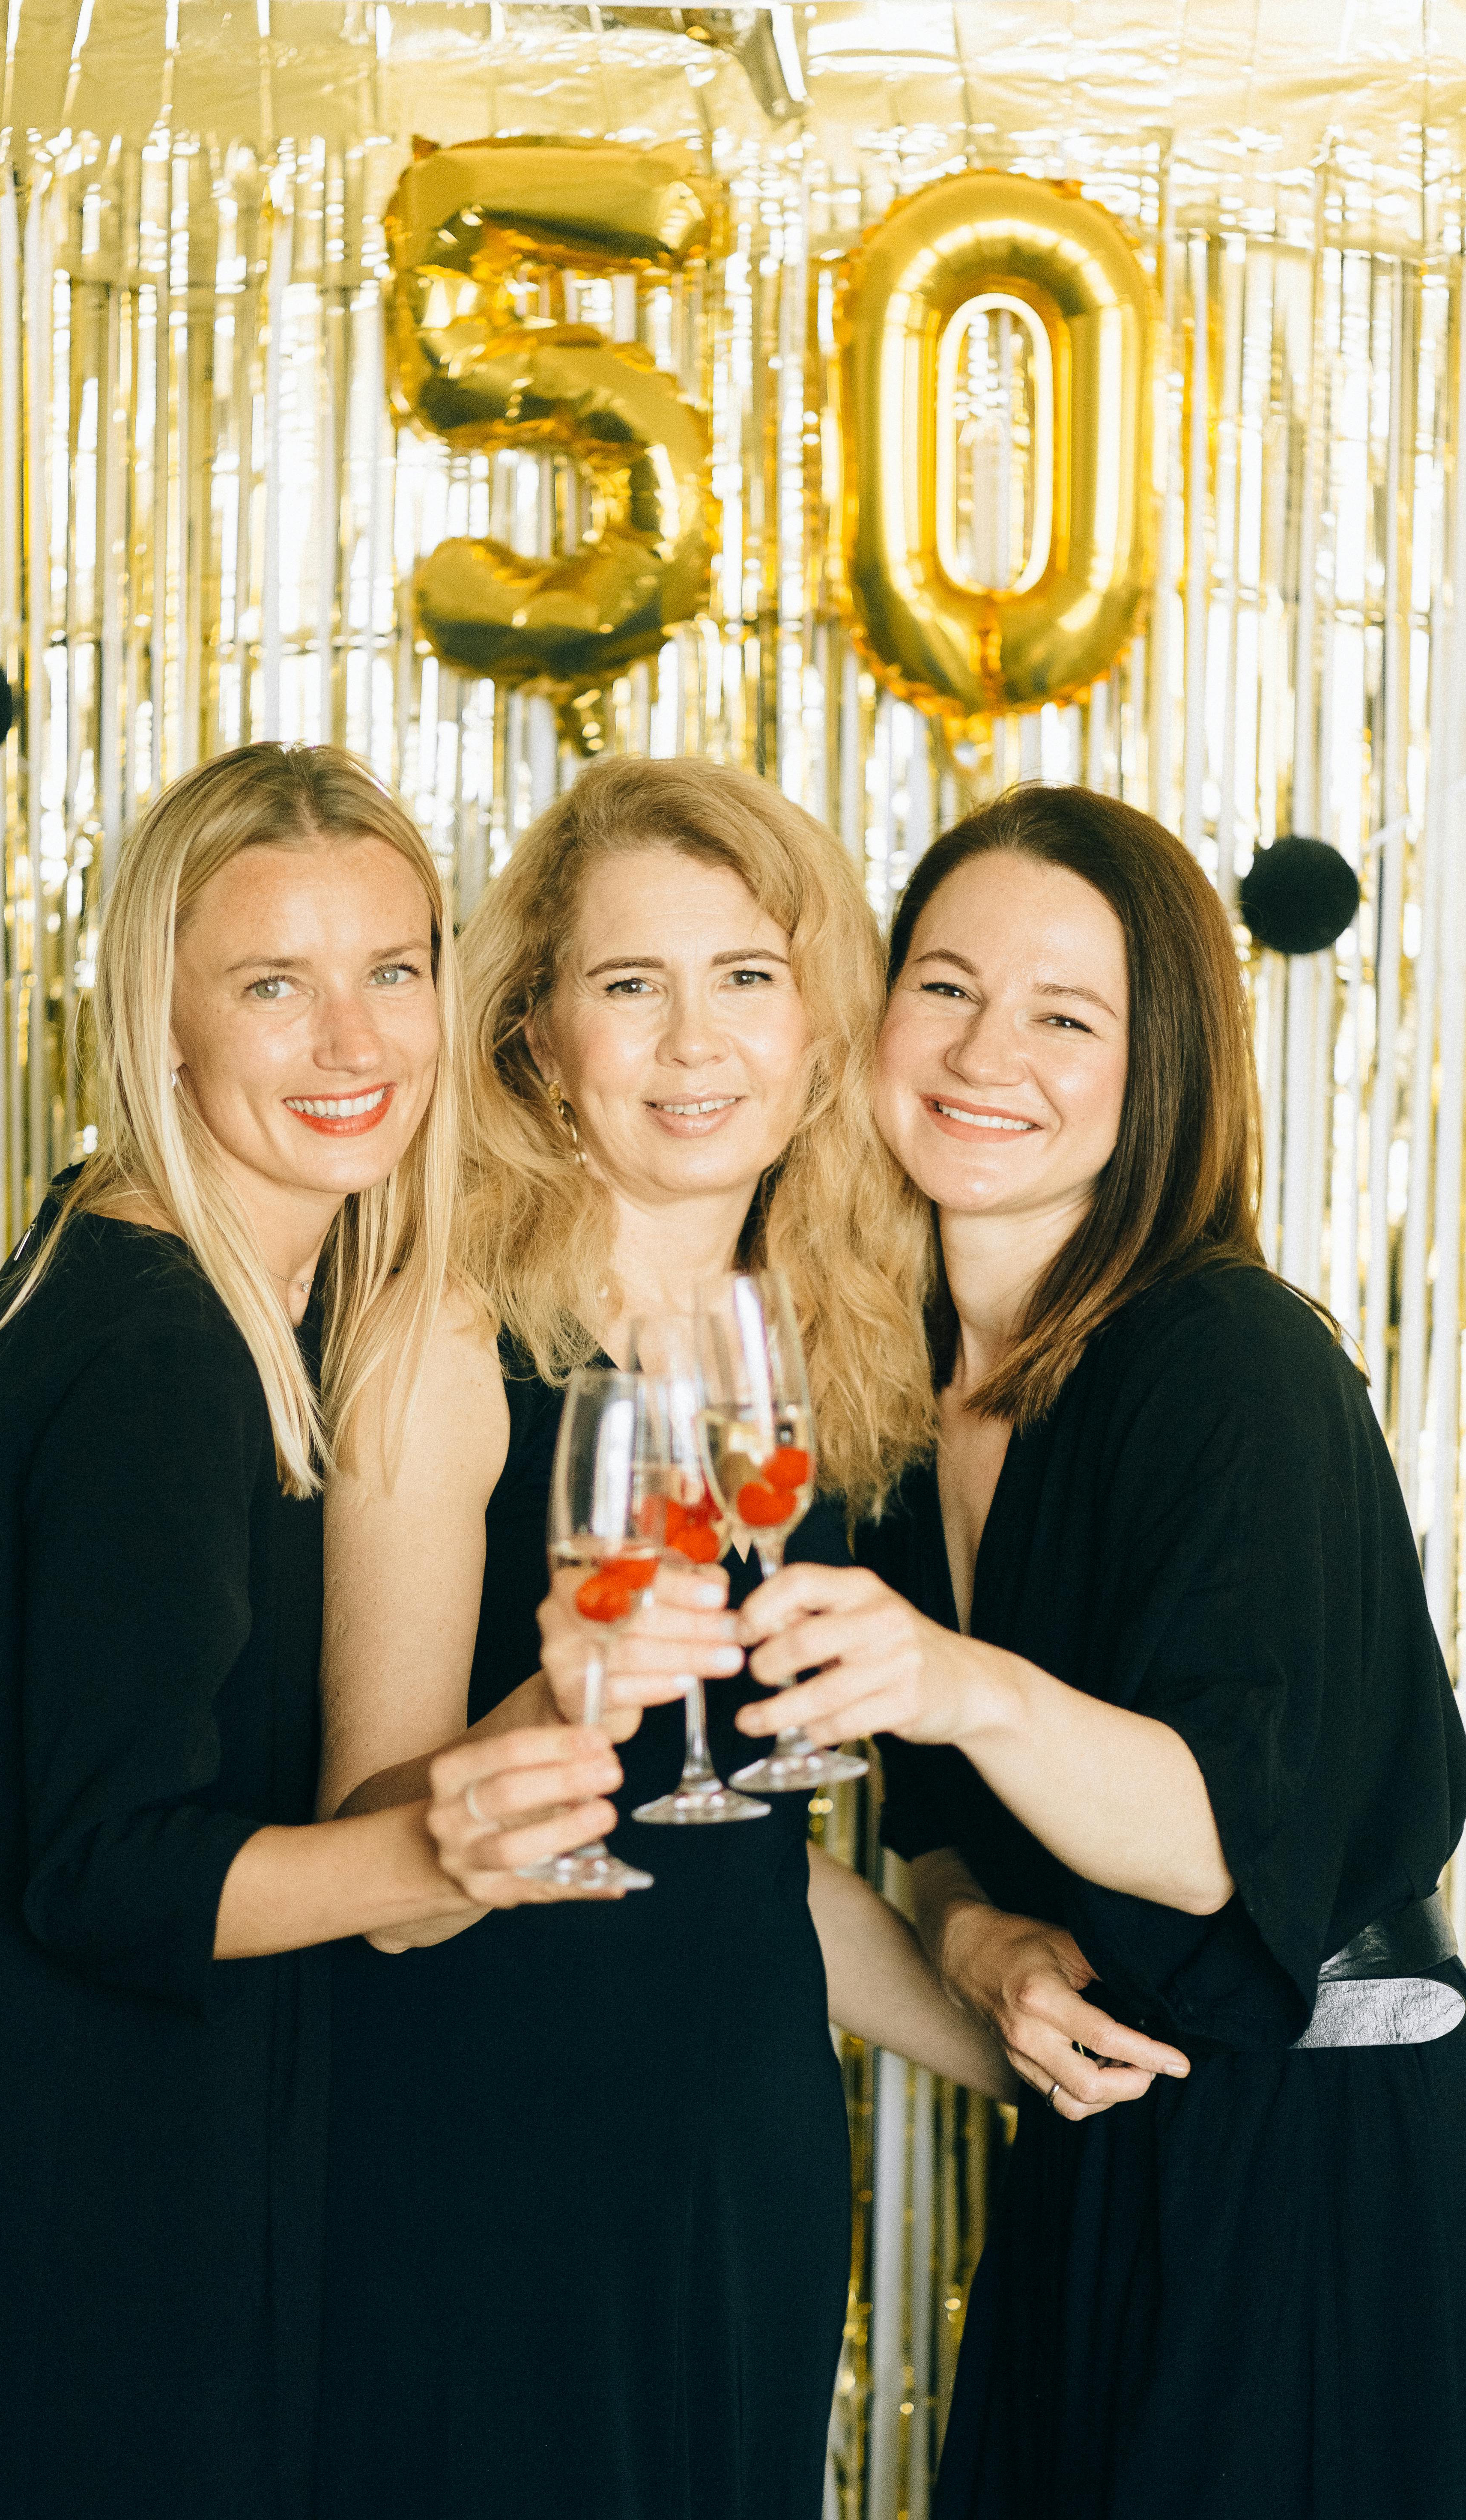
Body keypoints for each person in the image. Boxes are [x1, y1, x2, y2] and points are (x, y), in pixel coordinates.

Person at [0, 743, 614, 2520]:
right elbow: (113, 1870)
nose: (354, 1042)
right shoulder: (155, 1351)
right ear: (165, 1026)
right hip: (62, 2240)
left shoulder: (160, 1276)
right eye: (274, 984)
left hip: (28, 2187)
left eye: (393, 969)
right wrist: (436, 1848)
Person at [732, 784, 1466, 2519]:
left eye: (1069, 1016)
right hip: (1105, 2149)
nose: (992, 1052)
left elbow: (1221, 1834)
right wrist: (975, 1931)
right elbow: (927, 1830)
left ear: (1162, 1077)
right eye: (950, 985)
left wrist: (954, 1676)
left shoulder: (1229, 1365)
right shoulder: (893, 1390)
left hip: (1313, 2176)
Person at [313, 756, 1012, 2520]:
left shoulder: (830, 1352)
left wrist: (1008, 2027)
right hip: (495, 2155)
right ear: (542, 1035)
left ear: (818, 1027)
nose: (696, 1043)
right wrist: (563, 1695)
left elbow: (744, 1859)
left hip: (747, 2150)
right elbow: (379, 1885)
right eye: (632, 985)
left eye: (747, 978)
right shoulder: (444, 1341)